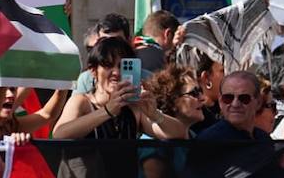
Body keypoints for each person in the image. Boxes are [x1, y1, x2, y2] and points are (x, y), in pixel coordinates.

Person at [53, 37, 187, 141]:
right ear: (93, 71)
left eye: (123, 66)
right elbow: (59, 134)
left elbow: (180, 133)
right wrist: (107, 111)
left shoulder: (134, 108)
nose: (116, 72)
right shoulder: (82, 102)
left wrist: (155, 114)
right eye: (108, 65)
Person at [196, 71, 270, 142]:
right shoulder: (207, 142)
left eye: (244, 98)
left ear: (258, 102)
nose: (235, 104)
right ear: (220, 101)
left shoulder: (265, 140)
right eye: (228, 98)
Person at [73, 14, 132, 93]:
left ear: (129, 42)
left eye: (117, 41)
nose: (110, 48)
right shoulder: (86, 79)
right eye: (104, 41)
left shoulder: (143, 77)